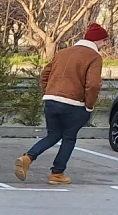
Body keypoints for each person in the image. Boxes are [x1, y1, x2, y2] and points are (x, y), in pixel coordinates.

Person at [16, 23, 109, 185]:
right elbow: (93, 84)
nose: (105, 44)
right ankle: (57, 173)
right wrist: (89, 105)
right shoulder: (94, 57)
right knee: (69, 138)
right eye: (105, 41)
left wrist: (48, 92)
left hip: (51, 101)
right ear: (98, 40)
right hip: (73, 104)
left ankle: (28, 158)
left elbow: (45, 75)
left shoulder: (62, 52)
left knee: (53, 135)